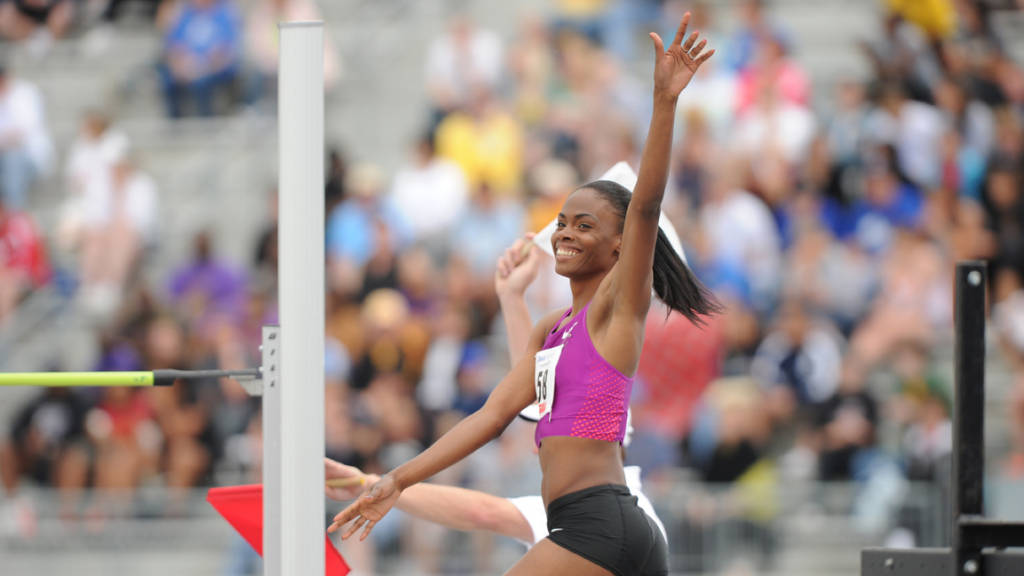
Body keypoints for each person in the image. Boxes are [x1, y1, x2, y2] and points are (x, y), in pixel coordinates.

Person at [330, 14, 718, 576]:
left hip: (601, 526)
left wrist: (664, 103)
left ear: (618, 249)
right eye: (562, 221)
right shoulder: (552, 329)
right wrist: (395, 480)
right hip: (584, 528)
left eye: (585, 226)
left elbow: (646, 207)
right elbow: (492, 417)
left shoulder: (616, 307)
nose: (564, 232)